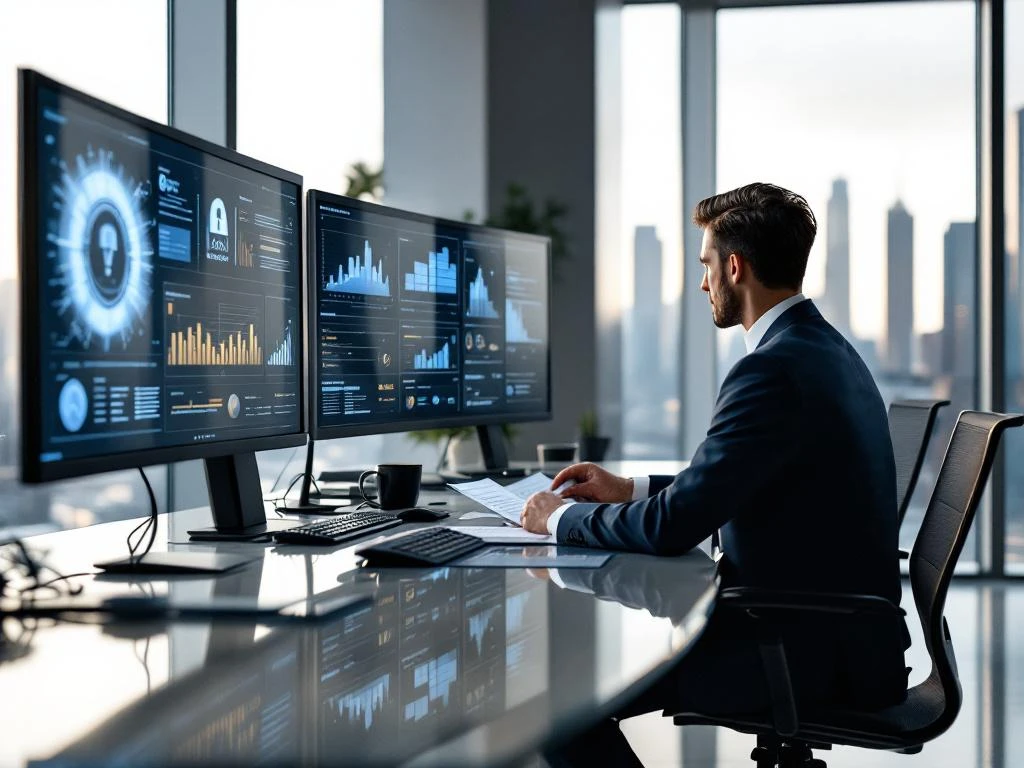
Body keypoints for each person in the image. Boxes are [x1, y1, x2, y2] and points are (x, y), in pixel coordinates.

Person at [521, 182, 909, 766]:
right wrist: (629, 490)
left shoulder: (773, 369)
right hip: (843, 640)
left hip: (793, 650)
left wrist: (563, 519)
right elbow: (734, 477)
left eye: (706, 265)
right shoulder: (824, 350)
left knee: (559, 701)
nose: (702, 283)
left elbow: (676, 526)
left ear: (734, 267)